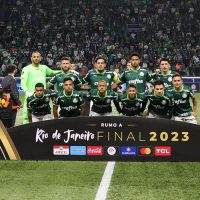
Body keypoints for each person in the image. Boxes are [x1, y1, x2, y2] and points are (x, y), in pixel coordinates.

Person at [21, 51, 59, 124]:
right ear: (31, 58)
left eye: (38, 57)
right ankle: (26, 131)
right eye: (34, 57)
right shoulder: (26, 69)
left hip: (43, 96)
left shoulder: (44, 68)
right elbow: (23, 83)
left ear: (41, 58)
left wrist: (66, 71)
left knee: (44, 115)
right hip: (31, 95)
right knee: (27, 115)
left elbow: (53, 72)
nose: (36, 58)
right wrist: (26, 92)